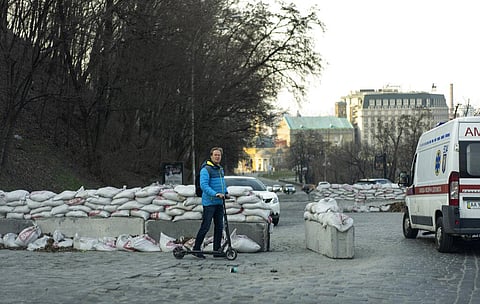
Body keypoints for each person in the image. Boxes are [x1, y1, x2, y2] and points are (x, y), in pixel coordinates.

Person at [192, 147, 228, 258]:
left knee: (219, 226)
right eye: (215, 155)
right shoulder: (206, 169)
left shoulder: (220, 169)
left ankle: (217, 250)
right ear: (211, 156)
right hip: (209, 203)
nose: (217, 157)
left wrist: (225, 192)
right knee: (206, 226)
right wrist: (215, 194)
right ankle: (196, 248)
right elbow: (204, 185)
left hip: (219, 203)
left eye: (219, 155)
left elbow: (222, 183)